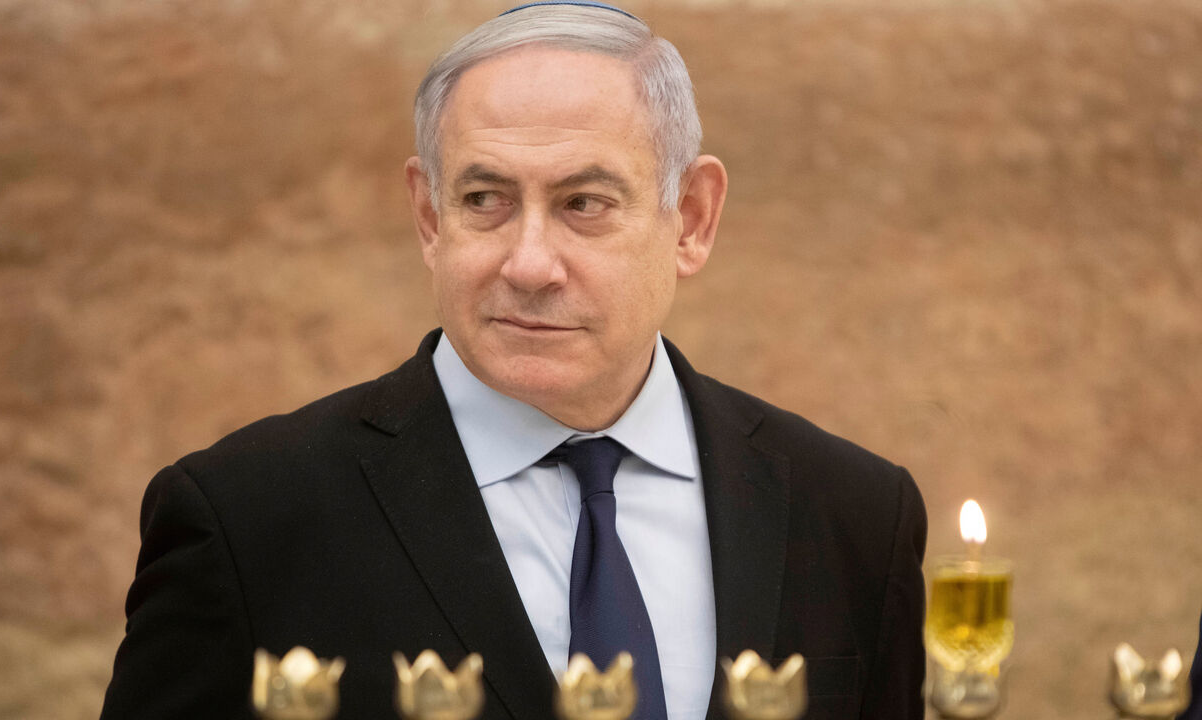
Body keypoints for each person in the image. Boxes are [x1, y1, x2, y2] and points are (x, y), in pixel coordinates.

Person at [99, 3, 927, 719]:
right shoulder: (248, 522)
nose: (529, 264)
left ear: (693, 219)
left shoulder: (853, 515)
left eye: (584, 203)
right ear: (430, 217)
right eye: (485, 200)